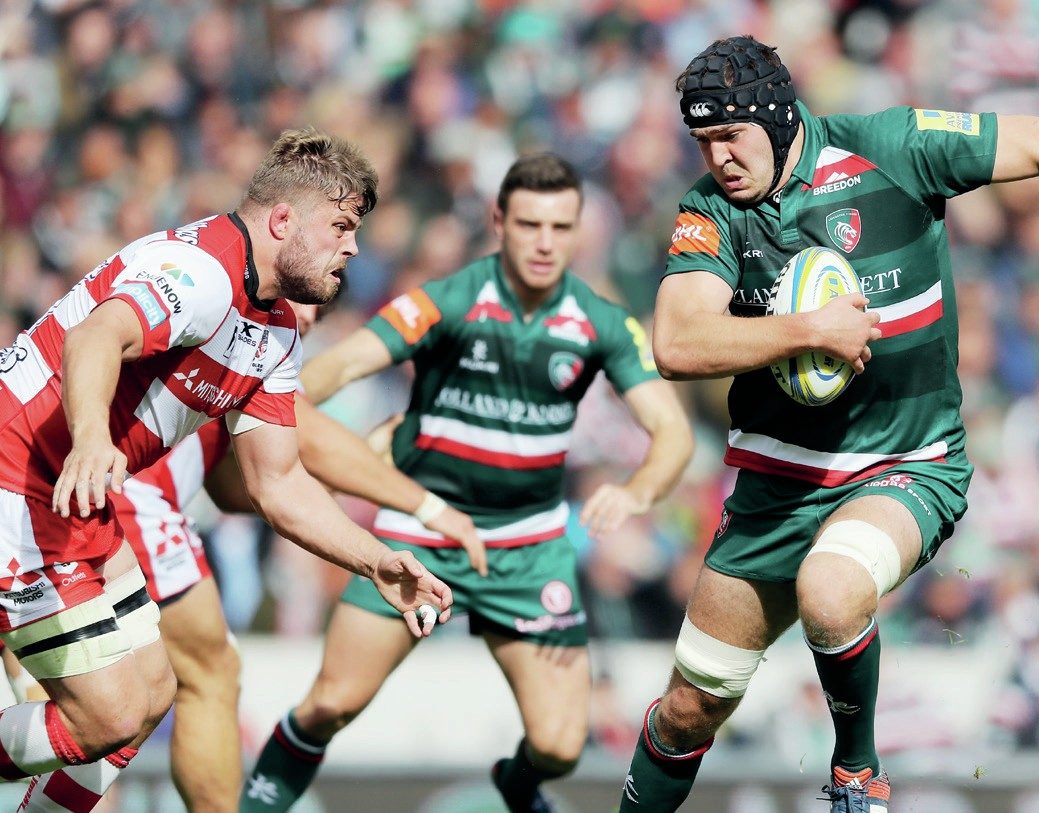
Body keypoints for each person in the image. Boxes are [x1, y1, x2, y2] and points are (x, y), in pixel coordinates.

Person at [617, 35, 1039, 812]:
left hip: (908, 463)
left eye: (730, 135)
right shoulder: (710, 213)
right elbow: (676, 342)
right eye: (702, 141)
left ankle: (856, 775)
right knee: (689, 708)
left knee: (831, 590)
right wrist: (808, 330)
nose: (718, 157)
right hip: (776, 487)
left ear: (778, 116)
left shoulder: (891, 148)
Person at [0, 127, 452, 812]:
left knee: (152, 692)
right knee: (109, 714)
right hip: (20, 471)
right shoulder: (203, 269)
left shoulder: (274, 328)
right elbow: (98, 332)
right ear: (281, 221)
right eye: (340, 226)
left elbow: (278, 482)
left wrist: (375, 560)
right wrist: (92, 437)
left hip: (73, 496)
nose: (352, 247)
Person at [240, 153, 694, 813]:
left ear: (577, 232)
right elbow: (336, 369)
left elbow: (672, 433)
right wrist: (287, 418)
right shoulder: (447, 301)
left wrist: (635, 491)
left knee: (561, 745)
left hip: (529, 546)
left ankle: (515, 780)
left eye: (560, 226)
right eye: (529, 223)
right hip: (420, 531)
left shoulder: (600, 321)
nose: (544, 242)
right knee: (330, 702)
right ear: (498, 221)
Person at [51, 298, 481, 813]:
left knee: (97, 699)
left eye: (318, 314)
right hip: (124, 498)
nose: (308, 318)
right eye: (305, 304)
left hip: (78, 493)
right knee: (205, 671)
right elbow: (311, 439)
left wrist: (349, 471)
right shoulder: (245, 326)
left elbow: (239, 488)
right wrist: (428, 505)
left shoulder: (238, 342)